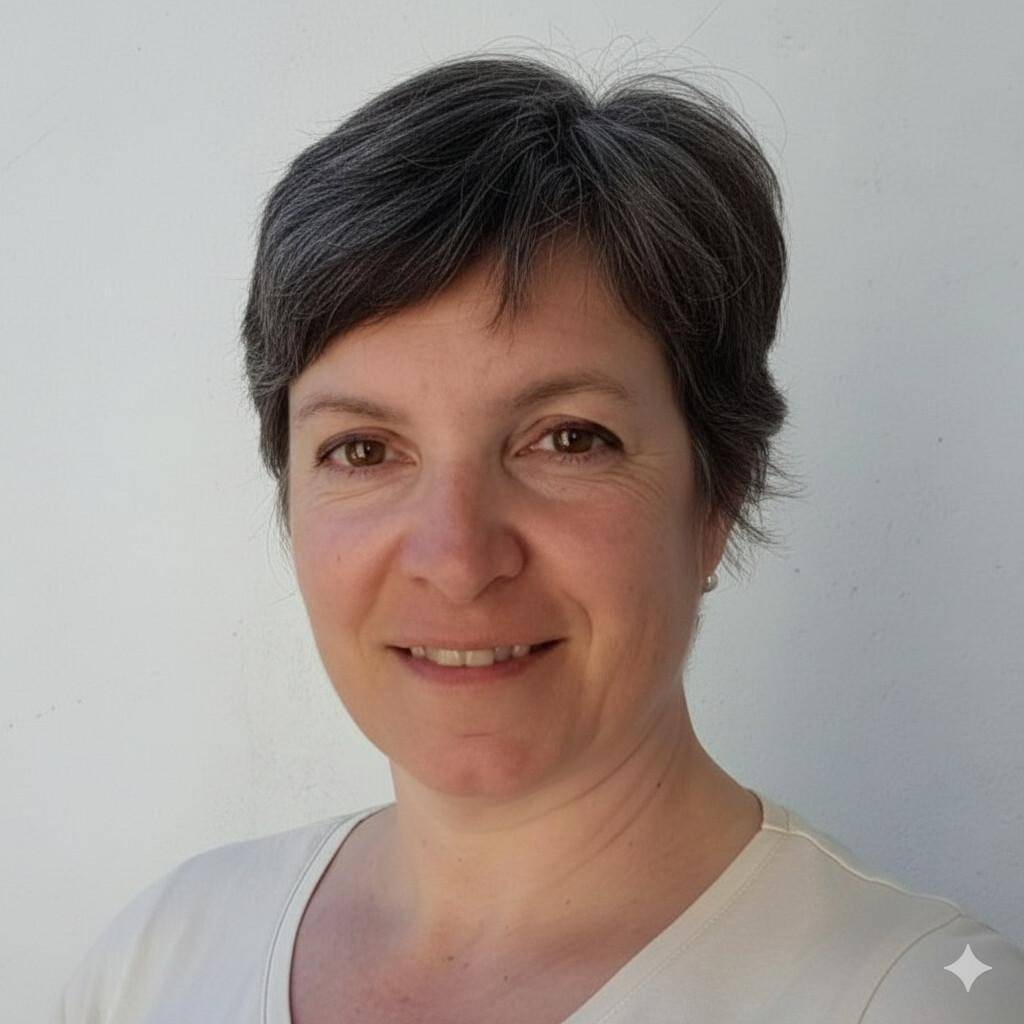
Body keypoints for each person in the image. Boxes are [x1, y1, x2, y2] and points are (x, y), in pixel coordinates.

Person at [54, 53, 1023, 1023]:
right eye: (364, 450)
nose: (456, 560)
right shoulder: (161, 959)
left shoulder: (916, 997)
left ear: (718, 493)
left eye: (567, 439)